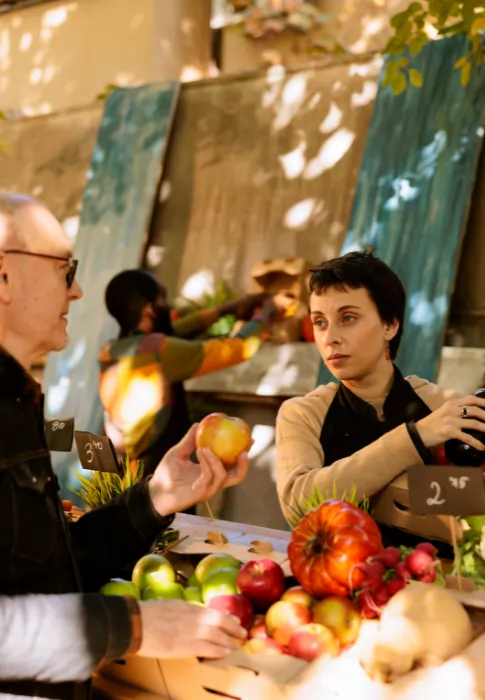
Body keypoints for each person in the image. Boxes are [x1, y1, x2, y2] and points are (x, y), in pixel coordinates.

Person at [0, 194, 249, 699]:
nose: (77, 290)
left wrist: (156, 497)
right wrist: (131, 625)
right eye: (63, 270)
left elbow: (54, 572)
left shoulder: (19, 401)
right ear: (4, 275)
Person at [276, 252, 485, 547]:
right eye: (320, 322)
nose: (330, 337)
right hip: (334, 582)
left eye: (348, 318)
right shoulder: (303, 413)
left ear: (389, 325)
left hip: (437, 583)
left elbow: (482, 503)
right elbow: (300, 508)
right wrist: (415, 438)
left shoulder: (442, 405)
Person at [100, 269, 291, 478]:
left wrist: (231, 308)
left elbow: (177, 331)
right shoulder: (160, 353)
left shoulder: (112, 351)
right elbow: (239, 347)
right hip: (156, 470)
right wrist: (268, 311)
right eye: (163, 301)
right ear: (149, 310)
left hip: (124, 463)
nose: (168, 307)